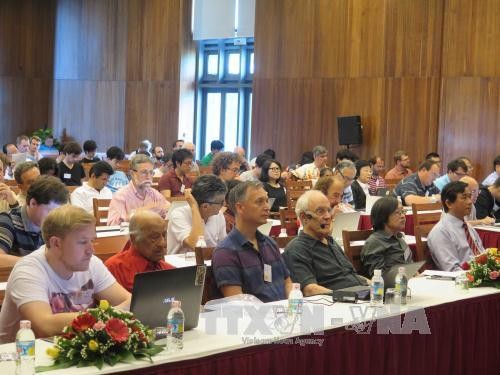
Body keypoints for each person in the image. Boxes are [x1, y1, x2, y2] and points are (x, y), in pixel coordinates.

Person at [0, 205, 130, 343]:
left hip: (69, 352)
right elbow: (46, 325)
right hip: (19, 357)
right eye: (82, 242)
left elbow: (130, 302)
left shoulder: (92, 263)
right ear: (56, 243)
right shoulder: (28, 271)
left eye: (92, 241)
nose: (91, 250)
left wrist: (110, 314)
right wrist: (110, 316)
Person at [213, 181, 292, 302]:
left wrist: (293, 309)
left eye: (267, 201)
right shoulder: (225, 252)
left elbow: (287, 283)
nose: (267, 207)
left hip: (284, 314)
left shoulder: (270, 243)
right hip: (254, 317)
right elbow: (237, 302)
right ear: (240, 208)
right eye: (259, 202)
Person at [283, 190, 368, 296]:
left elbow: (351, 276)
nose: (328, 216)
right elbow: (309, 290)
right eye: (320, 211)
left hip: (360, 295)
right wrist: (346, 296)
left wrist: (375, 286)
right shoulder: (297, 249)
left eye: (328, 210)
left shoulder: (331, 241)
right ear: (304, 217)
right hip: (338, 304)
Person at [0, 176, 69, 266]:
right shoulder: (8, 220)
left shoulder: (55, 223)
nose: (55, 218)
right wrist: (41, 264)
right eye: (50, 212)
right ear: (33, 203)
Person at [105, 210, 174, 292]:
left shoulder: (169, 270)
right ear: (134, 238)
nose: (162, 243)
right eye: (154, 237)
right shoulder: (115, 269)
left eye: (164, 235)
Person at [428, 181, 484, 271]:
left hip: (479, 274)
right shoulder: (441, 232)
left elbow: (482, 254)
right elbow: (452, 269)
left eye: (470, 197)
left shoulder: (467, 227)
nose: (470, 202)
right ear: (449, 203)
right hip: (461, 280)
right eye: (464, 197)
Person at [167, 175, 227, 254]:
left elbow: (223, 246)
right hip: (184, 265)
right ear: (205, 206)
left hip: (210, 263)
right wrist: (194, 208)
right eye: (221, 202)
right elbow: (196, 245)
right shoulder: (178, 214)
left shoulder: (218, 215)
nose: (224, 204)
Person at [107, 155, 170, 225]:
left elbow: (168, 212)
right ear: (132, 174)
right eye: (144, 172)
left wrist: (168, 211)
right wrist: (142, 212)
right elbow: (112, 224)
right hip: (130, 235)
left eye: (151, 172)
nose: (148, 176)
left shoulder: (155, 194)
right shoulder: (120, 195)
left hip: (152, 233)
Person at [361, 197, 413, 277]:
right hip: (394, 286)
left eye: (403, 211)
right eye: (398, 212)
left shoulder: (399, 237)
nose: (403, 216)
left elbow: (410, 265)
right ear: (383, 217)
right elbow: (379, 277)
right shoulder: (375, 242)